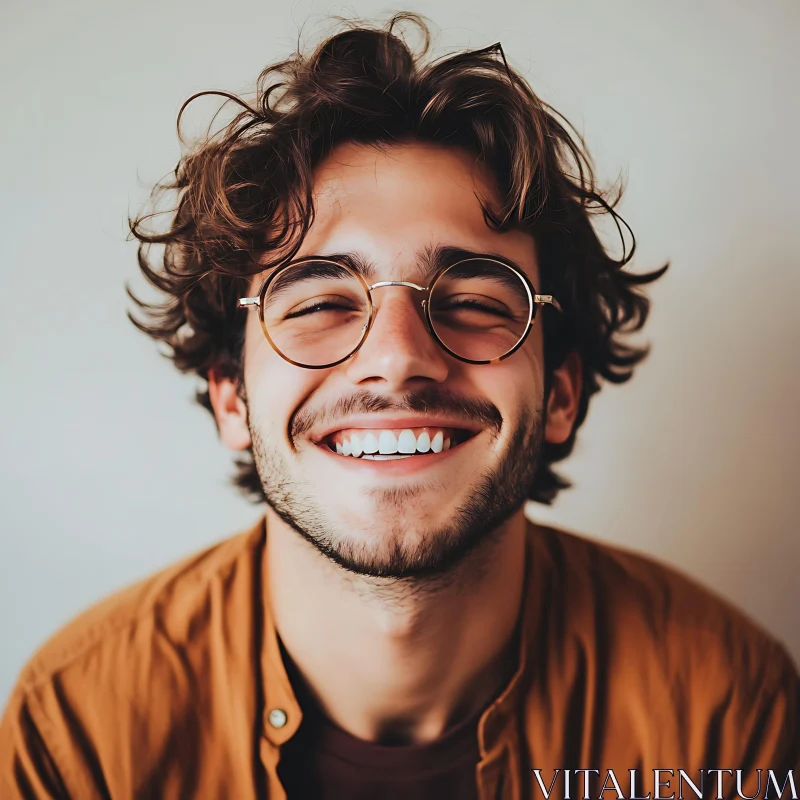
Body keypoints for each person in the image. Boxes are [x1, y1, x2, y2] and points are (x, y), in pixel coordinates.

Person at [1, 14, 797, 800]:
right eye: (318, 304)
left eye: (476, 299)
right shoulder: (77, 735)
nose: (397, 356)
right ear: (230, 397)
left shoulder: (727, 710)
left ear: (559, 392)